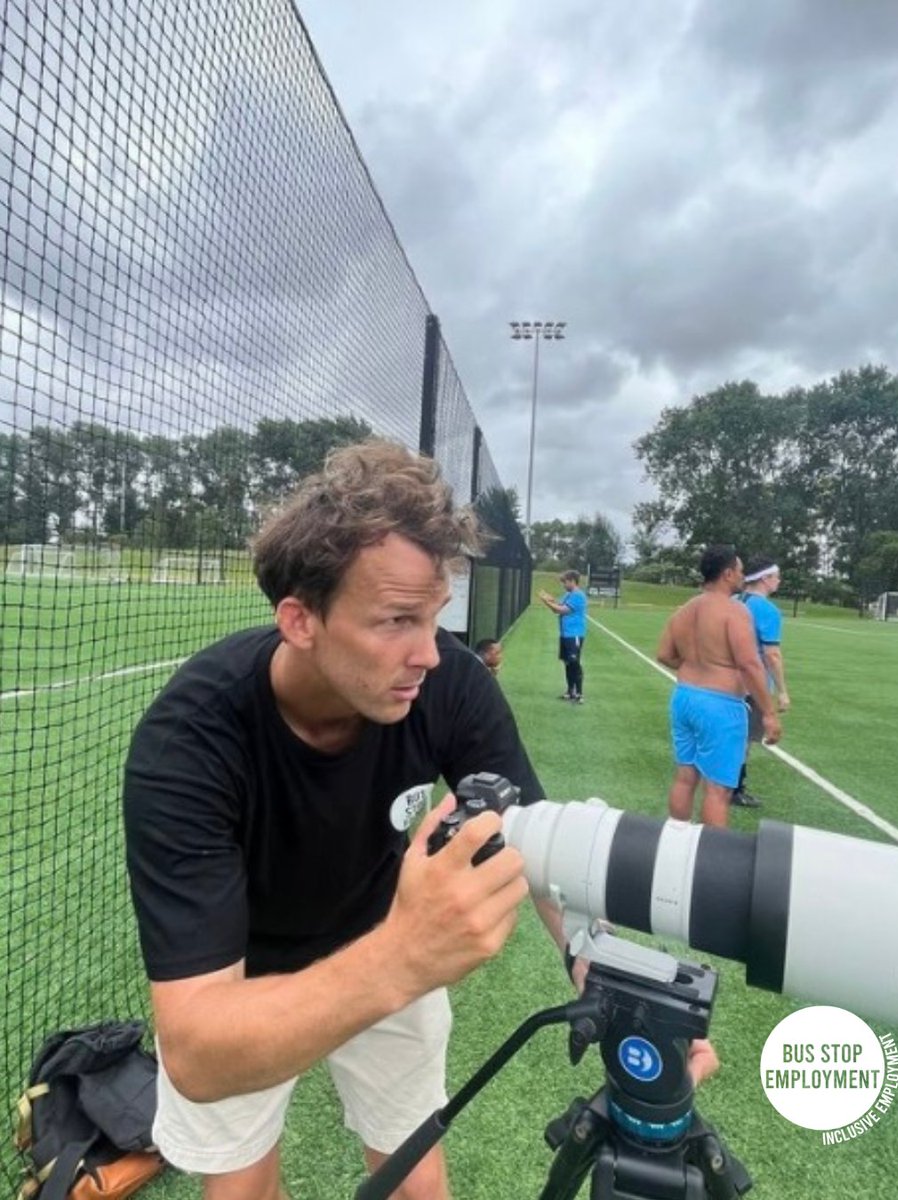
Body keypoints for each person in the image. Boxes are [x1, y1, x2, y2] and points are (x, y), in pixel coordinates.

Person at [124, 441, 550, 1200]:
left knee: (418, 1185)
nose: (429, 653)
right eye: (395, 620)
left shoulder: (446, 684)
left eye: (434, 618)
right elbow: (196, 1048)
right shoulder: (189, 741)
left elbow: (541, 838)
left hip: (383, 929)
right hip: (246, 978)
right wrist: (407, 958)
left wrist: (604, 973)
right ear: (300, 620)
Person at [656, 544, 782, 827]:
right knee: (718, 789)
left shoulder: (685, 609)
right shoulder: (734, 611)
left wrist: (696, 668)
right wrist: (769, 713)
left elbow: (664, 654)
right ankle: (712, 862)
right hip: (720, 705)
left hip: (685, 698)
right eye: (739, 570)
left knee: (685, 777)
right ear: (727, 574)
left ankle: (676, 844)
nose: (742, 576)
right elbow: (750, 664)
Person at [731, 557, 790, 809]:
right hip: (749, 684)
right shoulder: (767, 610)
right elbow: (771, 654)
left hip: (720, 680)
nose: (779, 580)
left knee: (728, 734)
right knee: (743, 739)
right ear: (765, 578)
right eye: (776, 576)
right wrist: (782, 691)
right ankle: (735, 788)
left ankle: (720, 781)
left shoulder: (731, 602)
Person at [537, 570, 588, 702]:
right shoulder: (568, 595)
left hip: (574, 634)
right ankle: (570, 691)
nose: (563, 585)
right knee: (567, 662)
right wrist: (550, 599)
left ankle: (579, 693)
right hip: (565, 634)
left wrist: (545, 602)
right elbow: (559, 604)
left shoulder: (578, 596)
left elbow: (560, 610)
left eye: (565, 582)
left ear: (572, 581)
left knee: (574, 662)